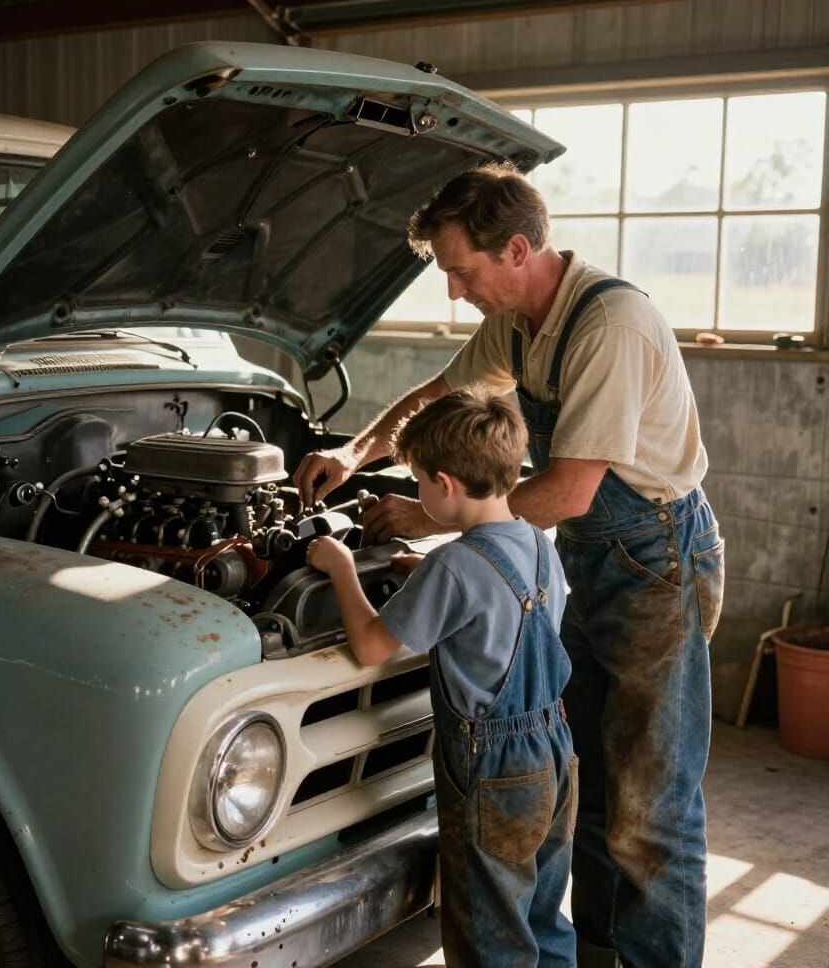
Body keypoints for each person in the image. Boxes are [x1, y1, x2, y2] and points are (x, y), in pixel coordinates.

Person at [294, 164, 725, 968]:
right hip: (590, 557)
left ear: (518, 249)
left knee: (650, 807)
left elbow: (566, 489)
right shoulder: (521, 323)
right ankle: (600, 952)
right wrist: (355, 452)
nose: (455, 292)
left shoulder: (609, 325)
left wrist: (429, 516)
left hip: (656, 562)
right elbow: (436, 394)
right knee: (590, 781)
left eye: (462, 270)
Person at [306, 389, 577, 968]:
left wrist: (341, 568)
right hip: (555, 753)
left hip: (493, 772)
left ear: (445, 484)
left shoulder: (453, 566)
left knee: (490, 932)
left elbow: (373, 645)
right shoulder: (538, 543)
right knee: (540, 915)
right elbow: (508, 611)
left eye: (418, 482)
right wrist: (428, 574)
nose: (417, 495)